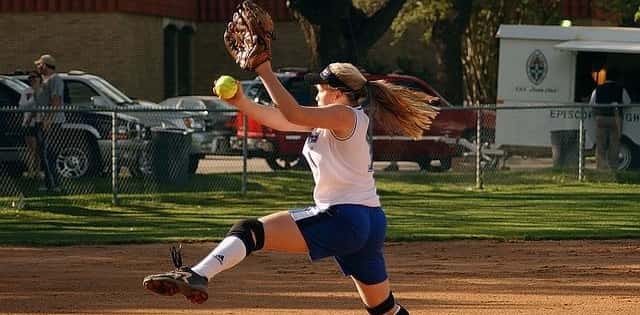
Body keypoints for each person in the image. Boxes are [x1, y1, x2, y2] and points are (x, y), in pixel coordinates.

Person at [143, 61, 438, 315]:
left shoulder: (344, 115)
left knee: (249, 231)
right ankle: (196, 275)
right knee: (384, 308)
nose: (316, 92)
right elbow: (282, 119)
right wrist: (242, 102)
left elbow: (294, 113)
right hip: (370, 220)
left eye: (320, 88)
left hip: (343, 218)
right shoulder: (332, 121)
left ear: (338, 93)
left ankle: (197, 274)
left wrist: (265, 71)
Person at [589, 67, 631, 170]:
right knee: (614, 144)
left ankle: (600, 168)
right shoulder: (621, 89)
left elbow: (592, 103)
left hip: (601, 118)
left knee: (600, 145)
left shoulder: (598, 88)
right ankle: (613, 168)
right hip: (615, 119)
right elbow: (627, 102)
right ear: (618, 78)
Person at [34, 54, 65, 191]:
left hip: (52, 122)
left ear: (45, 65)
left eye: (39, 64)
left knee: (50, 153)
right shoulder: (43, 80)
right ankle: (48, 183)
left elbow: (56, 100)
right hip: (41, 120)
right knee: (43, 153)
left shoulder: (55, 79)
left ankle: (55, 184)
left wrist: (48, 119)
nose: (37, 67)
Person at [18, 71, 43, 179]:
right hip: (28, 124)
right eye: (30, 77)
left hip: (39, 122)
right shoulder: (26, 91)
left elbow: (42, 106)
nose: (32, 79)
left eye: (35, 77)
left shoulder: (43, 91)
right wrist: (33, 101)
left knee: (38, 148)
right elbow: (22, 106)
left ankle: (38, 171)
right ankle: (30, 171)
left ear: (39, 78)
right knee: (31, 148)